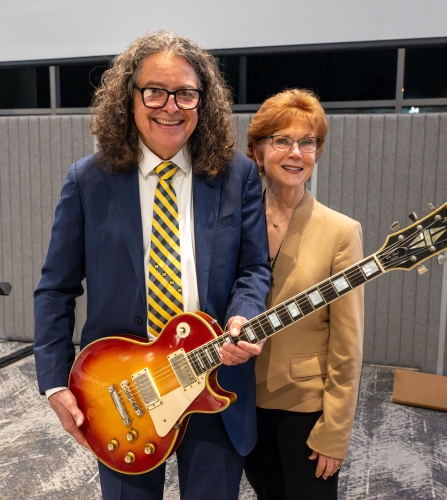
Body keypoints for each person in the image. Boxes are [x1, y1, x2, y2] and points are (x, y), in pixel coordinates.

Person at [33, 30, 272, 500]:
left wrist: (245, 313)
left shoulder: (236, 175)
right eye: (155, 91)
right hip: (123, 396)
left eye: (186, 93)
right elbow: (56, 289)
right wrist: (54, 385)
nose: (171, 106)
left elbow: (253, 267)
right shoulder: (89, 180)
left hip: (212, 378)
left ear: (203, 101)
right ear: (130, 98)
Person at [243, 89, 364, 500]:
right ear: (258, 151)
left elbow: (348, 344)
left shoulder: (341, 232)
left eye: (307, 142)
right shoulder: (233, 223)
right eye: (281, 140)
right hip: (239, 400)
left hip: (305, 408)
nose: (296, 153)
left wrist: (335, 431)